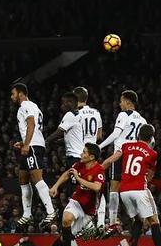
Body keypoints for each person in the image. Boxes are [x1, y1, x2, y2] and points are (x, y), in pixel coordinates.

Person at [101, 124, 161, 246]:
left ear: (138, 135)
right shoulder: (152, 153)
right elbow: (149, 175)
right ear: (151, 138)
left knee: (138, 220)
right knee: (154, 221)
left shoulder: (126, 146)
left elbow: (110, 160)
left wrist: (97, 170)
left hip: (124, 191)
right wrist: (144, 185)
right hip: (139, 189)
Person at [31, 143, 105, 246]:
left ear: (92, 157)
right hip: (77, 201)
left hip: (89, 211)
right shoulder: (79, 165)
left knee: (64, 238)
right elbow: (67, 173)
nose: (81, 154)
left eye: (84, 152)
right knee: (66, 219)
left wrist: (79, 178)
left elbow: (97, 187)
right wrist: (55, 186)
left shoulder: (99, 170)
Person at [10, 83, 57, 229]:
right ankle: (27, 214)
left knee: (37, 178)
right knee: (23, 178)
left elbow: (31, 124)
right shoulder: (31, 107)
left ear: (21, 93)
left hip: (34, 146)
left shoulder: (26, 105)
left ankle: (50, 211)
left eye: (13, 94)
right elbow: (36, 128)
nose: (12, 97)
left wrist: (27, 144)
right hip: (32, 143)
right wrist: (22, 142)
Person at [98, 90, 147, 231]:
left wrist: (99, 146)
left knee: (114, 187)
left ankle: (112, 222)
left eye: (121, 101)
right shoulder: (143, 120)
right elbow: (151, 140)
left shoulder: (123, 115)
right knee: (131, 189)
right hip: (134, 157)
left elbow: (116, 134)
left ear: (127, 102)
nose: (119, 104)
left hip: (121, 154)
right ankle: (138, 220)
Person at [74, 87, 106, 227]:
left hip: (80, 153)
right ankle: (99, 222)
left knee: (79, 189)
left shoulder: (75, 114)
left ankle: (85, 224)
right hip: (93, 153)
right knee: (98, 189)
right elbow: (99, 135)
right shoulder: (96, 113)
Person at [46, 92, 84, 205]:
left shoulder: (70, 115)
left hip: (75, 158)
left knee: (75, 190)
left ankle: (82, 218)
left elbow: (58, 132)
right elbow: (75, 136)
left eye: (64, 103)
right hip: (78, 156)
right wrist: (61, 142)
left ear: (71, 103)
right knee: (75, 188)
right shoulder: (79, 115)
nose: (62, 105)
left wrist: (45, 142)